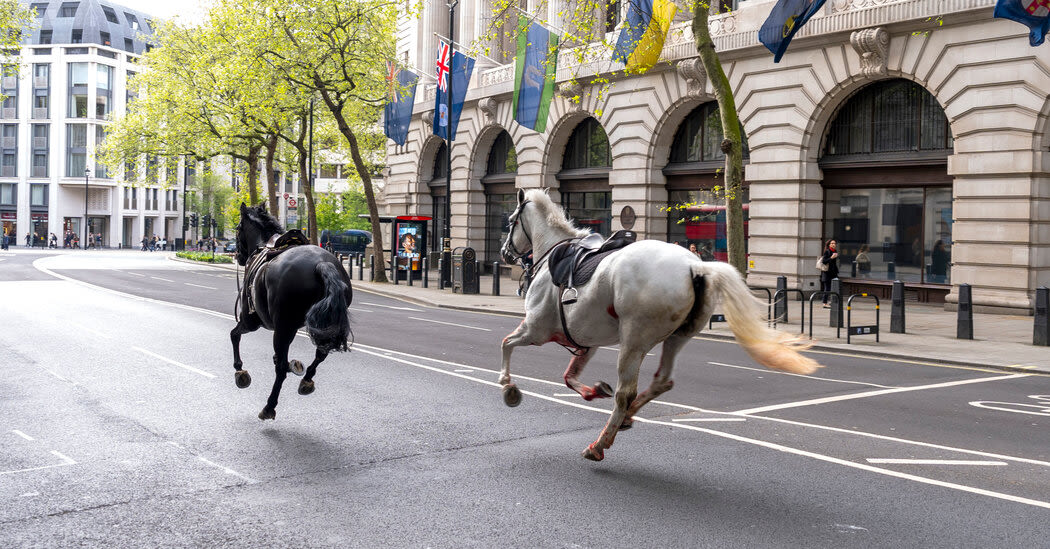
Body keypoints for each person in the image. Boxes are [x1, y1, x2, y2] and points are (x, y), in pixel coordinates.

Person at [819, 238, 839, 307]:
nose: (834, 245)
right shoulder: (827, 251)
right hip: (827, 273)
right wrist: (831, 258)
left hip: (833, 273)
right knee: (827, 288)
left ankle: (832, 301)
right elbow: (824, 261)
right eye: (832, 243)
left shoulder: (835, 251)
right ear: (829, 245)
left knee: (835, 287)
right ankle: (824, 303)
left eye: (835, 243)